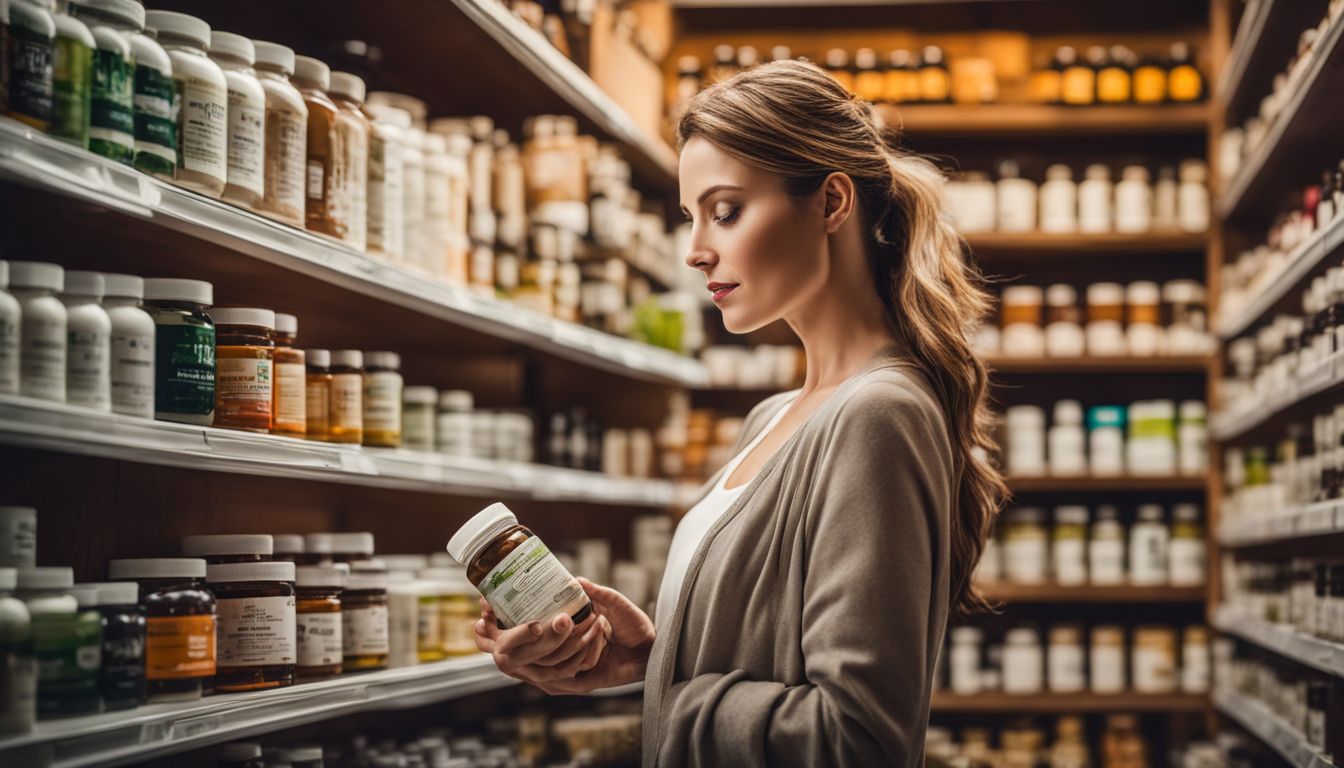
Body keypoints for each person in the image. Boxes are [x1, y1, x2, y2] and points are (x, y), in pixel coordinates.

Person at [474, 59, 1007, 766]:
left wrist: (671, 697)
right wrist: (647, 660)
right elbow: (774, 662)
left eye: (725, 212)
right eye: (691, 218)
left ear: (832, 203)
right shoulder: (775, 417)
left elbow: (861, 741)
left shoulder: (879, 414)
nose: (696, 251)